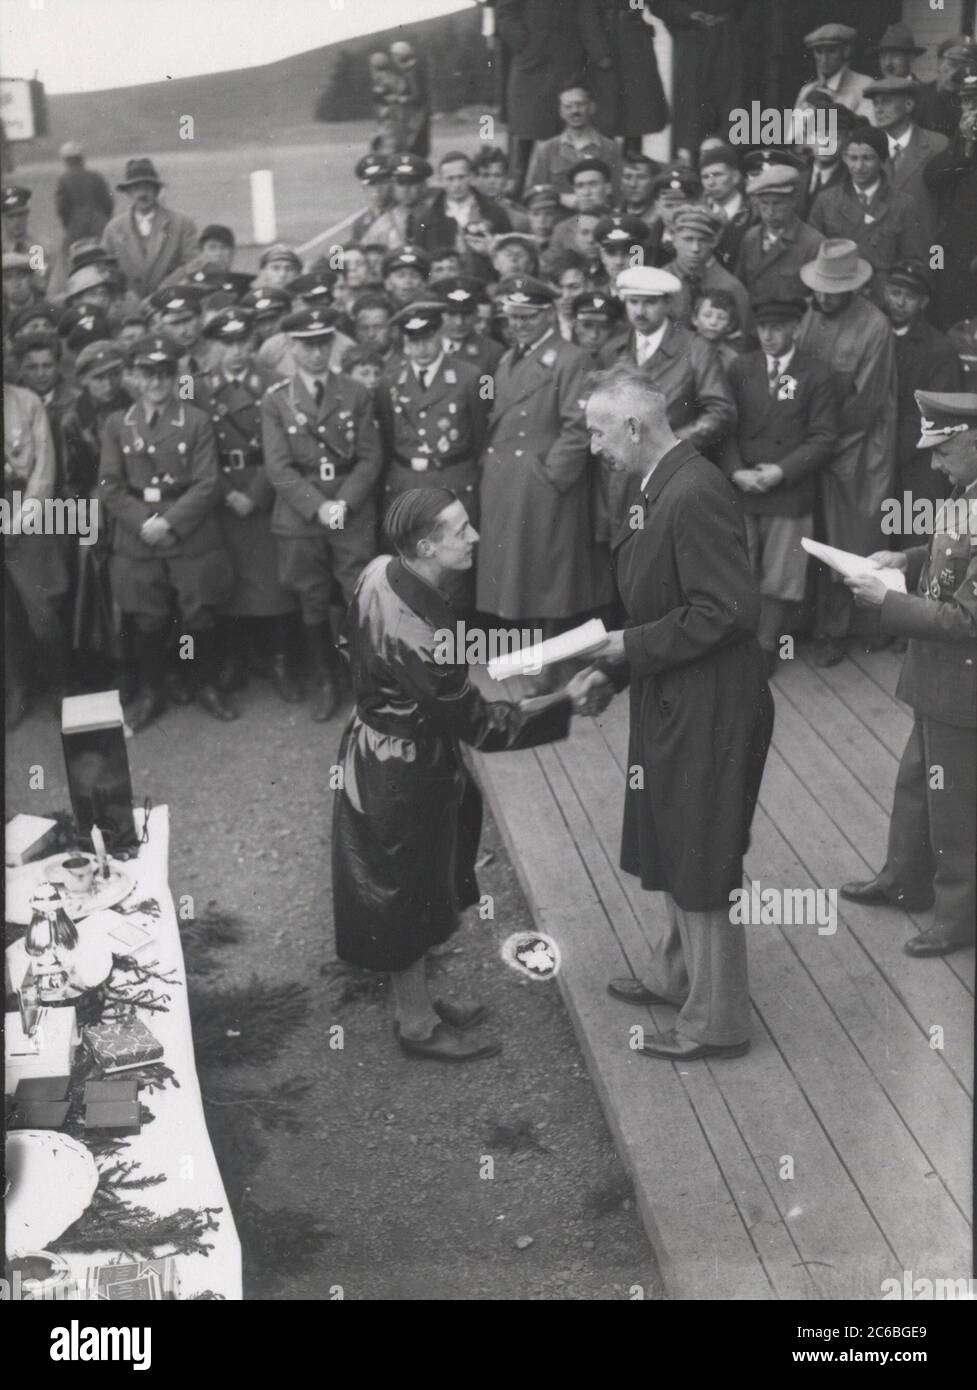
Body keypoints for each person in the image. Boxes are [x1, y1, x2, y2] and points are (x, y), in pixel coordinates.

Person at [331, 487, 608, 1061]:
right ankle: (417, 1029)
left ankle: (419, 1007)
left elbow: (347, 638)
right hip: (404, 770)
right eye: (460, 530)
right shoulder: (423, 634)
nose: (475, 536)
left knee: (407, 884)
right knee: (405, 891)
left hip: (376, 749)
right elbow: (482, 725)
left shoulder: (380, 570)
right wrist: (564, 702)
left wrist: (382, 688)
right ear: (426, 545)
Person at [582, 367, 773, 1060]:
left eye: (598, 431)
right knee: (671, 834)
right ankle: (675, 976)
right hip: (677, 690)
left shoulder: (691, 490)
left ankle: (716, 1022)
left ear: (634, 427)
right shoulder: (663, 479)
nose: (593, 445)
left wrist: (628, 644)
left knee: (700, 849)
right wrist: (623, 660)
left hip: (711, 701)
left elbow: (726, 610)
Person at [841, 391, 976, 959]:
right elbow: (955, 553)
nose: (935, 464)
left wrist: (885, 603)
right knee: (918, 783)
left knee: (956, 806)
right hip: (941, 680)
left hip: (963, 686)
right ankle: (904, 877)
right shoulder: (967, 494)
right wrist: (908, 560)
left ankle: (957, 915)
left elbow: (966, 617)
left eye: (944, 452)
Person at [476, 275, 614, 689]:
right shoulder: (508, 358)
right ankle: (535, 660)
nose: (517, 325)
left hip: (542, 481)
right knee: (523, 576)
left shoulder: (571, 358)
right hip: (508, 481)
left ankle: (551, 667)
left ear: (547, 315)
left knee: (549, 579)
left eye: (527, 317)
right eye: (512, 317)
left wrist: (553, 476)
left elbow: (579, 425)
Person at [97, 333, 236, 730]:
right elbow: (110, 484)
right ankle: (152, 692)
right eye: (148, 373)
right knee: (147, 616)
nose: (157, 382)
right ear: (134, 377)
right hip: (138, 530)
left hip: (187, 527)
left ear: (176, 376)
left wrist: (170, 522)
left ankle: (206, 684)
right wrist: (144, 521)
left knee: (199, 611)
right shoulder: (117, 424)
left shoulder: (195, 421)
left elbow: (208, 483)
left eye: (164, 373)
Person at [262, 307, 382, 722]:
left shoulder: (355, 392)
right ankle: (327, 679)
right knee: (311, 597)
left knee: (359, 595)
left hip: (351, 507)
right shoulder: (277, 398)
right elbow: (278, 466)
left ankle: (366, 681)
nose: (315, 353)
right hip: (302, 513)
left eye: (322, 344)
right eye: (306, 345)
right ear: (291, 348)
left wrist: (343, 504)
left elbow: (370, 457)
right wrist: (319, 506)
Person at [720, 297, 837, 674]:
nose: (768, 336)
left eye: (778, 327)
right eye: (762, 327)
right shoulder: (741, 367)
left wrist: (780, 472)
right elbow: (726, 427)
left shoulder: (816, 374)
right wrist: (736, 470)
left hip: (788, 490)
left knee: (781, 574)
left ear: (796, 329)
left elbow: (823, 438)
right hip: (743, 487)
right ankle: (736, 642)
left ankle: (766, 644)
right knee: (738, 567)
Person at [192, 306, 302, 705]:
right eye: (227, 343)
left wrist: (255, 494)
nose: (237, 351)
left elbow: (284, 444)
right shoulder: (196, 388)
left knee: (275, 582)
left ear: (253, 341)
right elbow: (191, 449)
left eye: (243, 342)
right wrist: (226, 492)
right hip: (219, 492)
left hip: (265, 489)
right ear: (214, 346)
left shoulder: (276, 383)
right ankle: (233, 660)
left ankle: (280, 661)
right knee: (228, 581)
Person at [797, 238, 898, 666]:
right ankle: (817, 623)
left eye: (830, 291)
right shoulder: (812, 315)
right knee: (814, 538)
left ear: (851, 288)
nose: (822, 297)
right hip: (817, 443)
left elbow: (866, 402)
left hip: (857, 448)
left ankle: (851, 627)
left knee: (852, 538)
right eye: (819, 288)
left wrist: (819, 440)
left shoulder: (875, 326)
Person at [4, 380, 69, 730]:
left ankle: (60, 686)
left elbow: (43, 472)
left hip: (24, 509)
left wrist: (19, 521)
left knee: (42, 608)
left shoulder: (26, 402)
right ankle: (16, 689)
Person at [807, 123, 928, 303]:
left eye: (867, 158)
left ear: (882, 159)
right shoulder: (826, 201)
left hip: (880, 301)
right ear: (845, 159)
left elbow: (913, 260)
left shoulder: (903, 205)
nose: (859, 166)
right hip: (836, 298)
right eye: (853, 158)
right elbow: (810, 253)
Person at [884, 260, 961, 536]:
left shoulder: (939, 348)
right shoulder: (875, 332)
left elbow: (930, 411)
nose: (900, 302)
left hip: (917, 462)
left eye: (909, 296)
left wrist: (889, 455)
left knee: (912, 536)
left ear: (924, 301)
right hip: (877, 460)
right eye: (894, 293)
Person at [652, 1, 747, 163]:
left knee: (732, 103)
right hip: (691, 39)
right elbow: (657, 4)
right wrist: (686, 15)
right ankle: (695, 164)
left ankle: (731, 165)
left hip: (729, 38)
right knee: (693, 107)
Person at [864, 76, 947, 246]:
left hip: (925, 252)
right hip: (879, 255)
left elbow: (948, 211)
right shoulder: (866, 148)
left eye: (886, 102)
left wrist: (936, 261)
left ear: (909, 105)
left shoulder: (938, 146)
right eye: (875, 103)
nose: (878, 110)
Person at [100, 158, 197, 299]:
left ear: (156, 190)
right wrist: (126, 294)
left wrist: (165, 289)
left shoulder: (182, 223)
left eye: (147, 188)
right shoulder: (113, 229)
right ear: (128, 192)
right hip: (129, 307)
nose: (142, 194)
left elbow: (192, 263)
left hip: (170, 299)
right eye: (136, 188)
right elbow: (106, 269)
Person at [924, 74, 977, 330]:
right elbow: (932, 177)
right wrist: (965, 147)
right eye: (967, 101)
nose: (972, 109)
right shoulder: (959, 137)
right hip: (951, 250)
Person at [735, 161, 823, 304]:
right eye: (764, 203)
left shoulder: (813, 243)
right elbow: (740, 288)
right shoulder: (750, 238)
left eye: (777, 203)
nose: (770, 212)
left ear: (793, 201)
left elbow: (818, 300)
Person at [587, 0, 668, 154]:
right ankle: (605, 156)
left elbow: (642, 4)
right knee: (606, 106)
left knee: (637, 103)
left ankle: (632, 152)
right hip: (606, 41)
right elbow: (587, 14)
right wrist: (598, 51)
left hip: (634, 42)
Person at [525, 83, 622, 207]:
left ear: (591, 107)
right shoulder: (546, 149)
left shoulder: (611, 148)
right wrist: (560, 197)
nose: (575, 111)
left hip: (598, 219)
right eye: (568, 106)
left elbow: (618, 193)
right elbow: (531, 192)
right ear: (561, 111)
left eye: (580, 105)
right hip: (558, 219)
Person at [793, 22, 872, 122]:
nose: (824, 59)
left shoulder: (864, 85)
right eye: (819, 52)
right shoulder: (807, 90)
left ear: (846, 51)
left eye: (831, 51)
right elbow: (794, 134)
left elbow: (869, 133)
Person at [55, 143, 114, 259]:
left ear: (66, 161)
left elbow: (62, 209)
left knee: (67, 258)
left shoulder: (64, 180)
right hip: (99, 224)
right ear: (81, 159)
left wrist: (70, 225)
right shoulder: (96, 176)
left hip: (76, 227)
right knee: (108, 254)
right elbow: (108, 203)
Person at [914, 37, 977, 141]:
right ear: (939, 63)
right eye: (952, 64)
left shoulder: (972, 105)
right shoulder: (919, 97)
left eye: (964, 68)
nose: (955, 73)